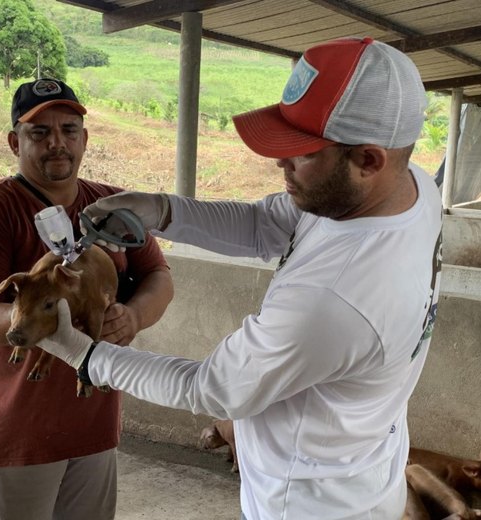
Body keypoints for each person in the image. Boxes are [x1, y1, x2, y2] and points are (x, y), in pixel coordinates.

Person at [36, 37, 443, 520]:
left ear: (368, 160)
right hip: (362, 466)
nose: (279, 163)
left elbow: (210, 388)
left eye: (302, 152)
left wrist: (86, 356)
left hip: (312, 505)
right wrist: (163, 210)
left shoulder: (332, 301)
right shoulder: (409, 186)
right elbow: (268, 222)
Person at [0, 78, 174, 520]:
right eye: (39, 133)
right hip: (15, 430)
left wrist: (134, 316)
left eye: (69, 130)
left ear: (84, 139)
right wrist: (54, 327)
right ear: (14, 142)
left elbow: (158, 275)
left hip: (92, 422)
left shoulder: (109, 206)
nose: (57, 144)